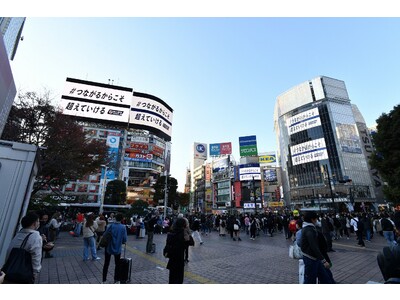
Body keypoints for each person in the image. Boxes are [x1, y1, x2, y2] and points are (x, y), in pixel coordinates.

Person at [5, 212, 43, 283]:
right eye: (38, 221)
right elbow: (36, 256)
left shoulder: (18, 234)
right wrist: (35, 272)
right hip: (24, 273)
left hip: (10, 269)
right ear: (34, 223)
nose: (39, 223)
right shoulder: (36, 236)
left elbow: (9, 251)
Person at [300, 211, 335, 284]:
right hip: (311, 258)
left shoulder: (308, 228)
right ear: (312, 219)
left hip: (315, 258)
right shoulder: (309, 230)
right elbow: (314, 246)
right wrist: (324, 260)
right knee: (310, 280)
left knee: (325, 278)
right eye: (316, 219)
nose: (317, 220)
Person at [102, 213, 127, 284]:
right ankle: (116, 280)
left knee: (106, 264)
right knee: (117, 264)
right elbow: (125, 239)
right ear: (121, 219)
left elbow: (105, 235)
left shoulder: (110, 226)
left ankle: (104, 280)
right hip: (117, 248)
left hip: (109, 247)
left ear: (115, 218)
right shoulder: (123, 227)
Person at [165, 217, 186, 284]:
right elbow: (191, 242)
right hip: (180, 260)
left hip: (172, 260)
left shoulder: (170, 234)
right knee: (179, 279)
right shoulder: (183, 234)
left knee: (172, 278)